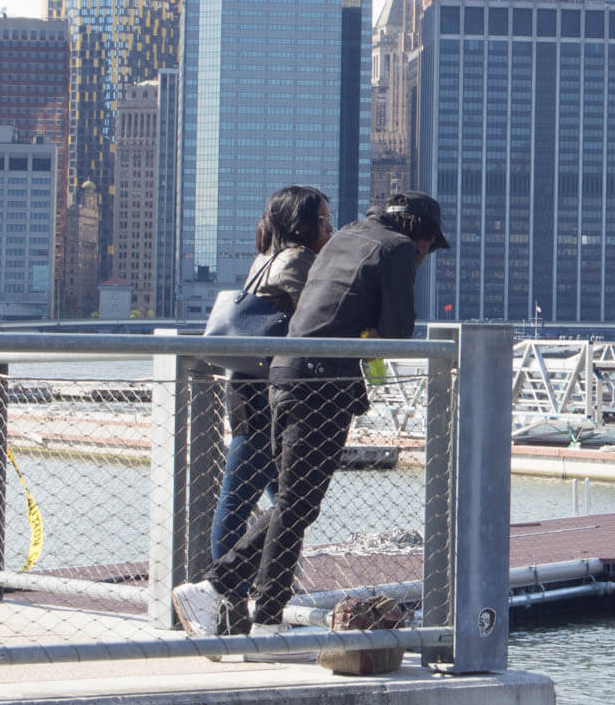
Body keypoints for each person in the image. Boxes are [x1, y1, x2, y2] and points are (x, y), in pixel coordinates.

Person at [174, 190, 449, 640]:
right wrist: (373, 328)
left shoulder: (346, 236)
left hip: (287, 373)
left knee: (294, 502)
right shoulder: (396, 247)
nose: (424, 256)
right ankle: (245, 607)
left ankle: (233, 597)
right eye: (428, 247)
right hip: (322, 384)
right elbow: (399, 331)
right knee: (294, 503)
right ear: (416, 231)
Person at [209, 186, 333, 577]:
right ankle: (227, 590)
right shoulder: (297, 260)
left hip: (249, 385)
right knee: (252, 498)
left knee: (282, 500)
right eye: (323, 221)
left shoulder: (266, 257)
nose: (330, 228)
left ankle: (267, 586)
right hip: (270, 393)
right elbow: (316, 316)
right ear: (302, 225)